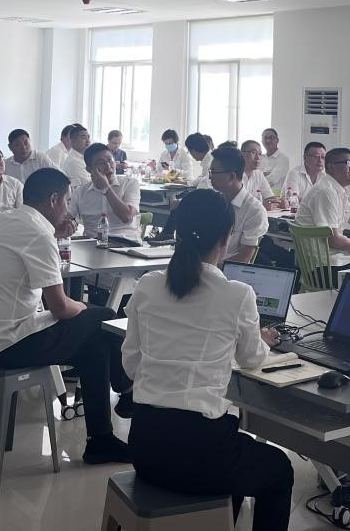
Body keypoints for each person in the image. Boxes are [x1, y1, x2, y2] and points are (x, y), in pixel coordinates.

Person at [123, 189, 294, 530]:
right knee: (279, 470)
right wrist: (261, 341)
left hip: (145, 446)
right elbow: (252, 360)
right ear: (227, 237)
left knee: (239, 454)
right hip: (201, 455)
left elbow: (131, 366)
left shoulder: (147, 285)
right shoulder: (237, 294)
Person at [0, 167, 133, 464]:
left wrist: (54, 236)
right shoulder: (39, 235)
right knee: (104, 316)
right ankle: (127, 391)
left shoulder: (9, 220)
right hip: (8, 345)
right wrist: (83, 307)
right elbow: (61, 308)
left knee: (94, 347)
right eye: (66, 201)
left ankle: (101, 440)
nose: (68, 208)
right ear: (53, 200)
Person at [296, 148, 350, 278]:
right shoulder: (326, 192)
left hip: (335, 261)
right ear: (331, 167)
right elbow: (334, 241)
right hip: (323, 267)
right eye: (349, 164)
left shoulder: (337, 190)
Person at [207, 145, 269, 264]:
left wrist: (210, 268)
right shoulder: (213, 202)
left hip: (226, 271)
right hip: (203, 267)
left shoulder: (254, 210)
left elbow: (243, 259)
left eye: (213, 172)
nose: (209, 177)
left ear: (231, 177)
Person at [69, 143, 141, 243]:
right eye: (101, 163)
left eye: (110, 161)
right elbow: (66, 216)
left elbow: (127, 217)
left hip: (125, 242)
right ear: (89, 169)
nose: (108, 166)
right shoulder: (81, 192)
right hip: (92, 243)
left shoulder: (129, 183)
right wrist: (68, 222)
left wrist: (106, 188)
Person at [240, 140, 281, 209]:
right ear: (242, 154)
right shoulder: (233, 175)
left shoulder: (259, 174)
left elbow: (269, 197)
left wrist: (280, 202)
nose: (258, 158)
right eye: (253, 153)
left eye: (260, 154)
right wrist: (260, 205)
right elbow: (235, 204)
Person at [260, 128, 290, 193]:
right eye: (265, 138)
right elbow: (253, 176)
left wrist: (260, 176)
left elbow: (272, 180)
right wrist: (264, 175)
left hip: (274, 196)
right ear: (262, 141)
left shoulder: (283, 159)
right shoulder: (260, 158)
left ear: (277, 140)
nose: (268, 140)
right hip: (258, 196)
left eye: (271, 138)